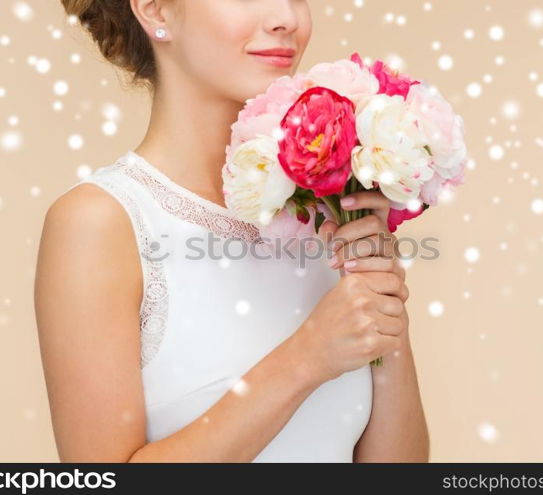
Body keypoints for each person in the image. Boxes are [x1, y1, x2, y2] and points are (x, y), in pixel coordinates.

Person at [34, 0, 429, 462]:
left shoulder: (330, 213)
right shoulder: (100, 222)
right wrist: (306, 358)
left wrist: (381, 298)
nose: (286, 18)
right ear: (155, 9)